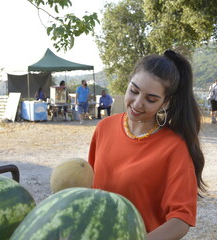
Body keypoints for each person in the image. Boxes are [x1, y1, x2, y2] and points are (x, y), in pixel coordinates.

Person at [88, 50, 206, 240]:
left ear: (166, 102)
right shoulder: (104, 127)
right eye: (133, 91)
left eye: (151, 99)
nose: (137, 103)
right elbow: (91, 188)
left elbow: (181, 220)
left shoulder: (174, 148)